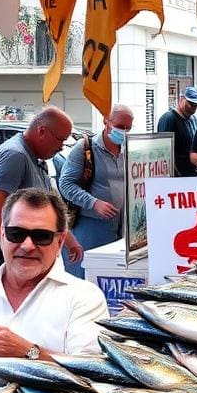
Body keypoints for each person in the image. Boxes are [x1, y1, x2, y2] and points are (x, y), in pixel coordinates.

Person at [0, 188, 106, 358]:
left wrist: (28, 352)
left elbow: (91, 372)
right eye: (16, 234)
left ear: (60, 242)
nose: (27, 246)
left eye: (41, 236)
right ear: (2, 235)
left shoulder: (84, 298)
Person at [0, 107, 83, 279]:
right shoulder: (15, 155)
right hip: (4, 241)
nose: (61, 147)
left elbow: (48, 207)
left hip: (20, 239)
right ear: (42, 131)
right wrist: (8, 245)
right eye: (60, 140)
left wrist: (70, 242)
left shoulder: (33, 156)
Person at [57, 104, 133, 278]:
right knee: (85, 274)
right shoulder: (85, 148)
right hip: (90, 226)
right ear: (107, 122)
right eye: (121, 127)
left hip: (121, 228)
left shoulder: (129, 148)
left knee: (112, 276)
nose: (124, 131)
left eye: (128, 128)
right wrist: (94, 203)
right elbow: (66, 184)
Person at [157, 86, 197, 177]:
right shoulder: (169, 119)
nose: (193, 109)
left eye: (196, 106)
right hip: (177, 175)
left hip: (191, 173)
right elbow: (164, 152)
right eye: (191, 104)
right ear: (182, 99)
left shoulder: (193, 119)